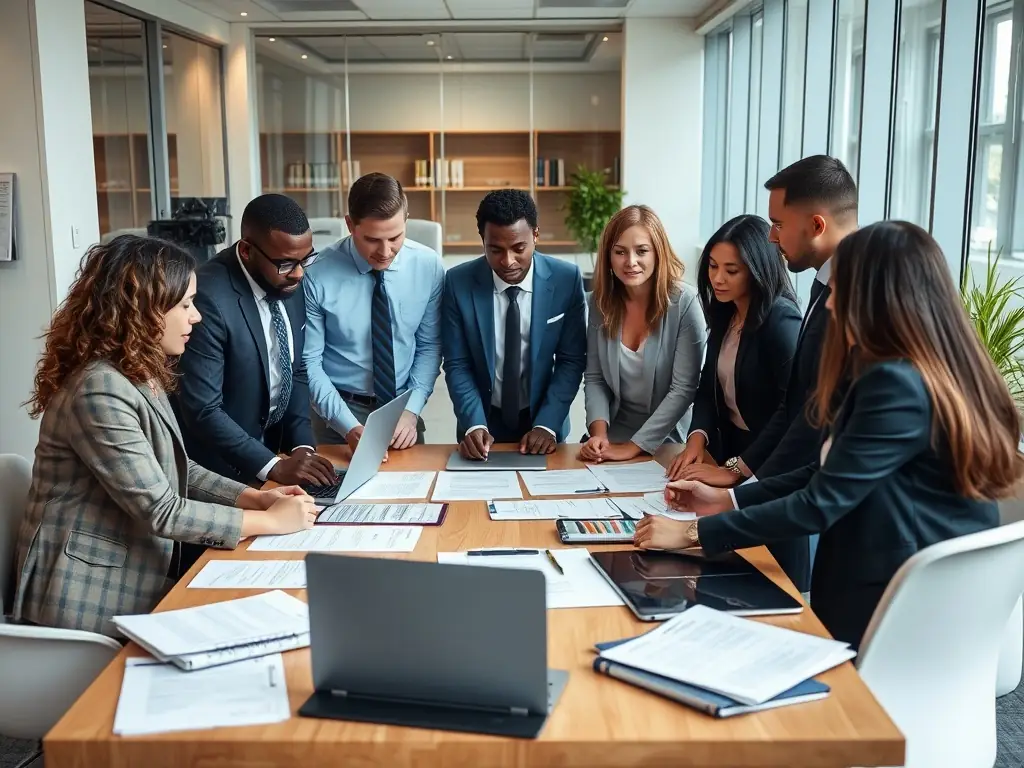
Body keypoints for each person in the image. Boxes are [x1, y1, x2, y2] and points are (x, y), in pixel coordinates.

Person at [634, 221, 1023, 649]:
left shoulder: (896, 384)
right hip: (917, 587)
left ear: (878, 300)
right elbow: (825, 475)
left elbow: (820, 502)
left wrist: (691, 535)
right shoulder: (922, 371)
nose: (831, 304)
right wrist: (727, 501)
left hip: (902, 606)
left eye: (841, 290)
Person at [13, 236, 317, 638]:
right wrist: (268, 521)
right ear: (143, 310)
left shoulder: (136, 373)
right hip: (82, 600)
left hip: (135, 576)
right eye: (185, 305)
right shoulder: (98, 389)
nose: (197, 318)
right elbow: (163, 510)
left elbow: (178, 467)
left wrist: (255, 496)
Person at [670, 155, 859, 593]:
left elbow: (800, 418)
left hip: (779, 484)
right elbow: (801, 410)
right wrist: (720, 472)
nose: (772, 236)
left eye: (777, 223)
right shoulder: (819, 287)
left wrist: (738, 477)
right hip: (761, 478)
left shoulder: (790, 316)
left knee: (776, 596)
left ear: (815, 224)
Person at [172, 194, 336, 488]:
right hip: (217, 472)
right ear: (247, 251)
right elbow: (203, 410)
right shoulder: (209, 297)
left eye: (306, 259)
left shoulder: (289, 276)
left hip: (272, 460)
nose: (299, 273)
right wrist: (272, 466)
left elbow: (294, 371)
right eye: (286, 264)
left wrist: (302, 449)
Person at [303, 172, 444, 452]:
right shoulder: (315, 273)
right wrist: (348, 426)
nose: (385, 251)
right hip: (337, 416)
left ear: (406, 220)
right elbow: (310, 362)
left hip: (402, 411)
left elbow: (429, 346)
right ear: (349, 225)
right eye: (371, 239)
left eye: (395, 237)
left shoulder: (429, 266)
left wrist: (412, 410)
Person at [442, 189, 586, 458]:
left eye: (519, 248)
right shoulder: (457, 283)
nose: (507, 261)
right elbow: (457, 363)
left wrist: (547, 424)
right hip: (481, 425)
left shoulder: (566, 279)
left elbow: (571, 360)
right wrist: (473, 422)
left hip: (544, 424)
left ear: (536, 235)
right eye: (495, 249)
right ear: (482, 240)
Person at [670, 214, 801, 467]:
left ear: (756, 270)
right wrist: (696, 440)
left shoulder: (780, 319)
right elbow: (708, 388)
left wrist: (737, 469)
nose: (717, 279)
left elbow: (794, 409)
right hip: (728, 450)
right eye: (712, 265)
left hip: (770, 460)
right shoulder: (726, 312)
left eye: (731, 270)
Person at [580, 204, 707, 463]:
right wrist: (598, 434)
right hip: (614, 432)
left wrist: (633, 447)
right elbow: (594, 378)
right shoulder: (599, 303)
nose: (630, 262)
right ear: (608, 256)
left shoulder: (685, 303)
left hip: (668, 437)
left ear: (657, 253)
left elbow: (683, 389)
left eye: (642, 251)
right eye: (620, 252)